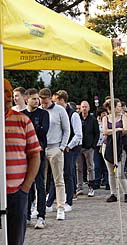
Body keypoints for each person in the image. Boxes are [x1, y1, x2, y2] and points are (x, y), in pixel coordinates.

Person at [4, 79, 41, 244]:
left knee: (15, 239)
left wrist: (25, 187)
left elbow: (35, 156)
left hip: (16, 193)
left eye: (9, 92)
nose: (8, 96)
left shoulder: (23, 121)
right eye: (3, 91)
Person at [46, 90, 82, 212]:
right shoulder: (56, 112)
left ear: (62, 100)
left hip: (70, 148)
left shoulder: (73, 115)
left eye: (56, 101)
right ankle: (49, 201)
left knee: (68, 173)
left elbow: (78, 134)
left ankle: (69, 201)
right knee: (55, 175)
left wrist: (67, 146)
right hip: (59, 146)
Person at [39, 88, 70, 220]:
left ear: (50, 98)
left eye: (46, 101)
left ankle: (60, 207)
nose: (44, 104)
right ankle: (39, 208)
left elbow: (66, 129)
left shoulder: (60, 110)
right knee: (40, 180)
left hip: (55, 147)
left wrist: (62, 147)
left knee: (58, 179)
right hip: (41, 148)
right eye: (42, 102)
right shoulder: (39, 110)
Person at [23, 88, 50, 229]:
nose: (36, 101)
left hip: (38, 153)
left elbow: (43, 130)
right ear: (26, 99)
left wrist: (30, 129)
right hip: (24, 154)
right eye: (33, 98)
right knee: (26, 185)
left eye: (37, 98)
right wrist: (34, 128)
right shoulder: (22, 115)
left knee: (40, 184)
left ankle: (41, 215)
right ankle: (26, 215)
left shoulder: (43, 114)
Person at [102, 98, 127, 203]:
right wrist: (117, 130)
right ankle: (113, 193)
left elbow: (126, 130)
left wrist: (117, 131)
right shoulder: (105, 118)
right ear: (113, 108)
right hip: (108, 146)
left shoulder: (123, 117)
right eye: (118, 106)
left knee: (119, 172)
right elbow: (105, 131)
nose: (120, 108)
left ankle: (126, 193)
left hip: (119, 146)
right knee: (111, 172)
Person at [76, 101, 99, 197]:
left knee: (90, 167)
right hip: (79, 146)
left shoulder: (93, 119)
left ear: (88, 108)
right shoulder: (77, 118)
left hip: (89, 147)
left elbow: (97, 133)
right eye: (83, 107)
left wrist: (93, 145)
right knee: (79, 168)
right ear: (80, 108)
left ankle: (91, 186)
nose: (84, 108)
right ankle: (80, 187)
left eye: (86, 107)